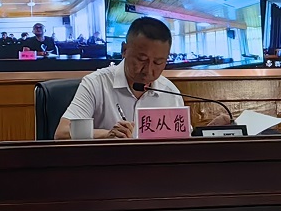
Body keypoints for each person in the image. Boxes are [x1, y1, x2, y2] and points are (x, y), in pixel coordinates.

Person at [55, 17, 185, 139]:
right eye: (141, 59)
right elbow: (62, 133)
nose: (148, 70)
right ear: (124, 50)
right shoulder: (96, 83)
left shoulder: (170, 93)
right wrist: (106, 135)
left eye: (158, 62)